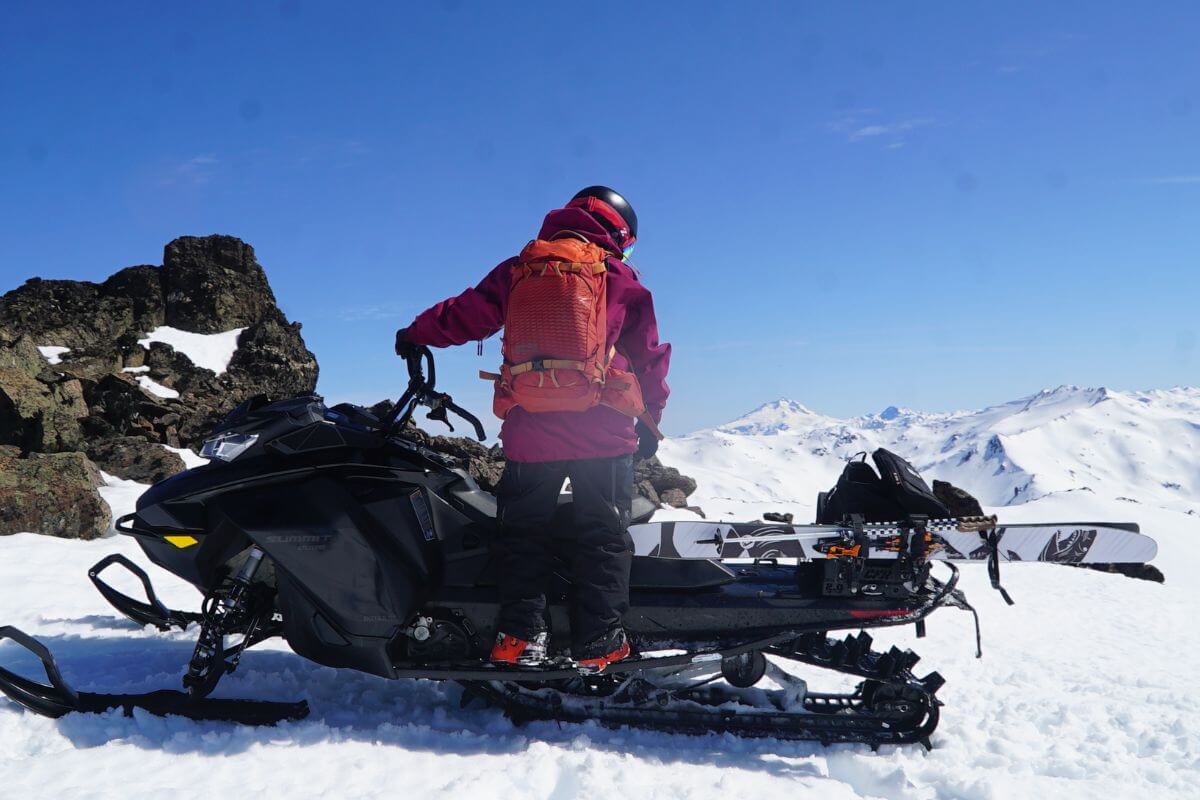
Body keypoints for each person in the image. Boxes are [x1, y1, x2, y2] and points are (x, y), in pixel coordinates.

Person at [394, 186, 670, 671]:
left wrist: (416, 332)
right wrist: (651, 420)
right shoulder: (619, 277)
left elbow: (466, 314)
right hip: (602, 434)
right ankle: (600, 642)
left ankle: (521, 638)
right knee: (602, 535)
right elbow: (649, 359)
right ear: (621, 234)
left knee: (523, 534)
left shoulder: (520, 268)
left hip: (531, 431)